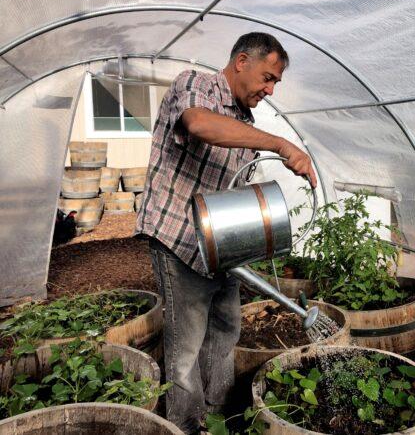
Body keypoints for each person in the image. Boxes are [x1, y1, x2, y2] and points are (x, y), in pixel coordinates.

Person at [135, 32, 316, 433]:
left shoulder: (246, 122)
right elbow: (198, 124)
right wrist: (282, 145)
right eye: (267, 78)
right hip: (180, 239)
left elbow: (235, 193)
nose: (269, 90)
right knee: (186, 345)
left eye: (275, 83)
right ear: (241, 62)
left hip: (221, 247)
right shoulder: (195, 85)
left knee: (225, 330)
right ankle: (186, 425)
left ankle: (219, 417)